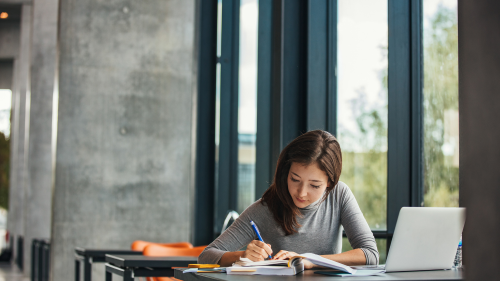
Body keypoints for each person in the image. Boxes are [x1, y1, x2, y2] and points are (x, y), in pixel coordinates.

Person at [198, 130, 379, 268]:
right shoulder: (265, 208)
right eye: (294, 179)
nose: (301, 193)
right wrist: (242, 255)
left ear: (330, 183)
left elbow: (370, 254)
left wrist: (309, 260)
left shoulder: (339, 195)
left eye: (314, 186)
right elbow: (206, 256)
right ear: (286, 172)